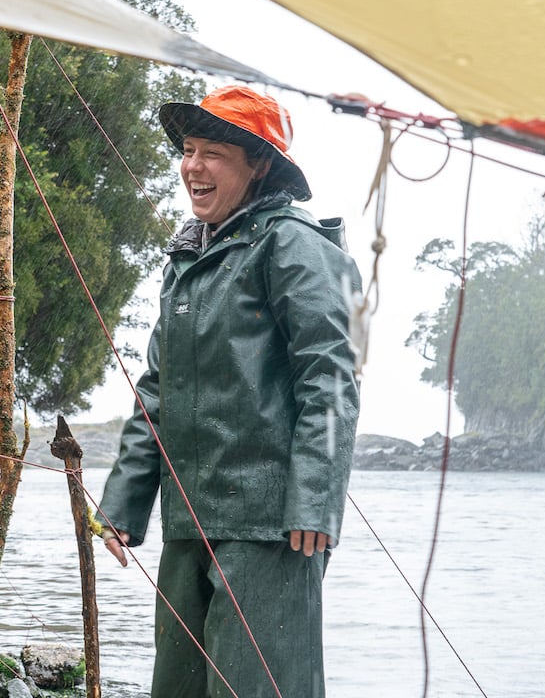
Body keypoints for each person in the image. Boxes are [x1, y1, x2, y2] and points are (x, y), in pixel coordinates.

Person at [96, 85, 361, 697]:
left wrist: (315, 499)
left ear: (260, 164)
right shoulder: (187, 259)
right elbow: (157, 391)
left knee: (259, 688)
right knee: (179, 688)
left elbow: (331, 376)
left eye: (212, 152)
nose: (193, 167)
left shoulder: (294, 244)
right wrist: (123, 505)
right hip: (189, 520)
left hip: (272, 527)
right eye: (188, 150)